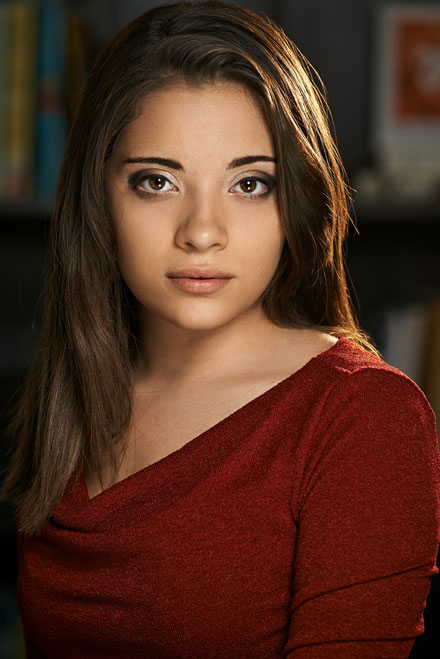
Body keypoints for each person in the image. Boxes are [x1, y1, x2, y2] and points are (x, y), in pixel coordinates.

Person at [2, 1, 439, 657]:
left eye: (249, 183)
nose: (202, 231)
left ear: (297, 201)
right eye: (157, 180)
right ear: (99, 198)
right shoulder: (77, 388)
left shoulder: (361, 418)